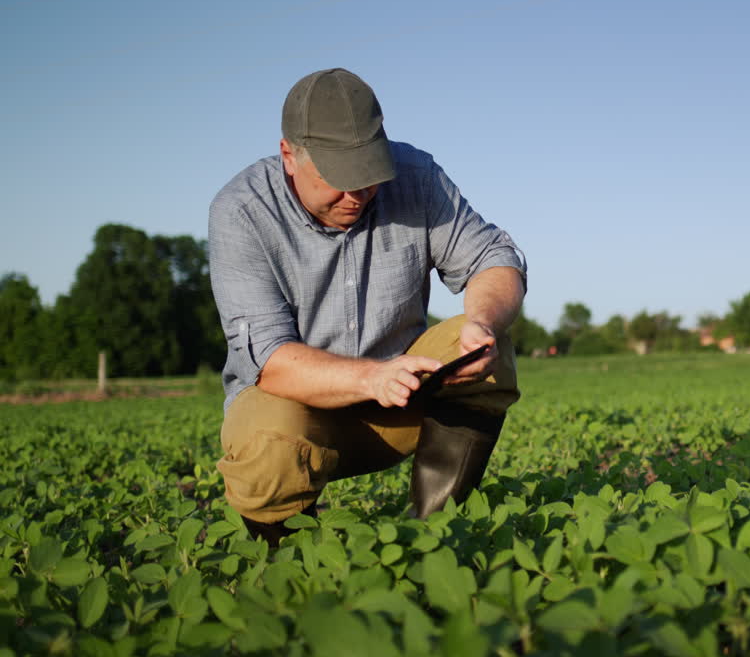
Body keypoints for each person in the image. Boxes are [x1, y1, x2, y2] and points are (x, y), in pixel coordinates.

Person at [208, 68, 526, 545]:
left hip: (401, 403)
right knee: (265, 439)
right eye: (338, 179)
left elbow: (493, 259)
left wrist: (482, 321)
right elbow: (271, 360)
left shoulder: (416, 176)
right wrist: (370, 376)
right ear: (289, 155)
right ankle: (293, 568)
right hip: (301, 414)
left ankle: (434, 539)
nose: (357, 195)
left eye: (370, 176)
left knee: (483, 348)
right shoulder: (242, 212)